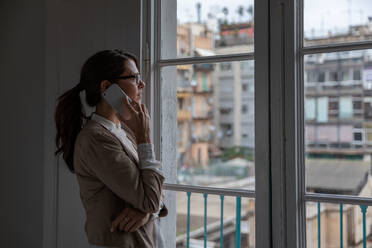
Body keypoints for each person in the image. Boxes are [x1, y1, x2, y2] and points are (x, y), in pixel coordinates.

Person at [54, 49, 167, 248]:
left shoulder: (123, 131)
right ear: (107, 87)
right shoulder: (96, 139)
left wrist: (146, 212)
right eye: (134, 77)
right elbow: (151, 199)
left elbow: (155, 193)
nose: (142, 84)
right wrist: (145, 137)